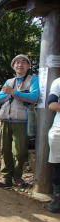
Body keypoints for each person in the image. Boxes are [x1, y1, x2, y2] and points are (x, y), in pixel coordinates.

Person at [0, 54, 39, 188]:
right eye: (17, 63)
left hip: (21, 121)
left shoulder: (33, 79)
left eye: (23, 62)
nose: (20, 65)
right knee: (5, 149)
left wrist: (14, 92)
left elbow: (33, 97)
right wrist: (11, 92)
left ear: (28, 66)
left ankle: (17, 176)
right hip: (6, 120)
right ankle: (6, 177)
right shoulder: (8, 81)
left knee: (20, 151)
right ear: (13, 66)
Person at [47, 77, 60, 213]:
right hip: (58, 129)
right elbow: (51, 104)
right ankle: (57, 197)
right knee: (58, 165)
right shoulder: (57, 82)